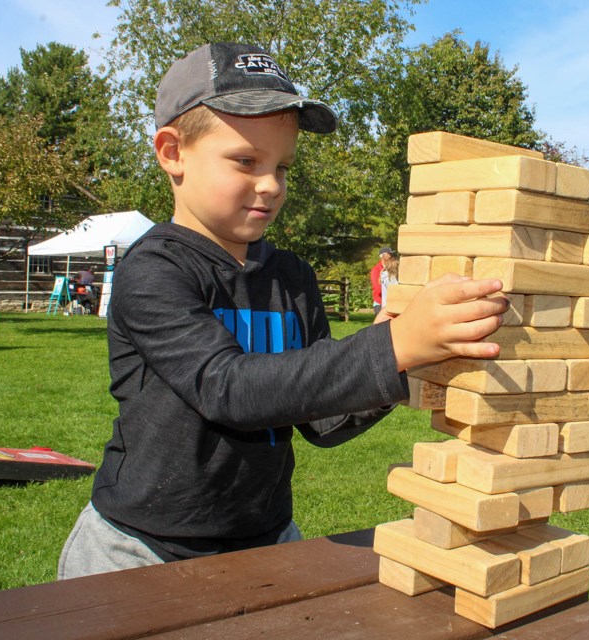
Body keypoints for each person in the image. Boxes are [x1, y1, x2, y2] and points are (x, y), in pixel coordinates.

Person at [57, 42, 508, 580]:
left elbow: (322, 422)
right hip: (139, 549)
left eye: (283, 166)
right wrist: (393, 345)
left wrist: (405, 359)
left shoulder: (291, 277)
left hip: (267, 541)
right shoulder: (154, 270)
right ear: (172, 152)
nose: (271, 185)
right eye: (246, 161)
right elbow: (226, 388)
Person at [370, 247, 393, 316]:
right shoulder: (376, 270)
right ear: (383, 256)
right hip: (380, 304)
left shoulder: (392, 268)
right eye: (390, 254)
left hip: (390, 302)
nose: (392, 256)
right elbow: (378, 289)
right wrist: (394, 291)